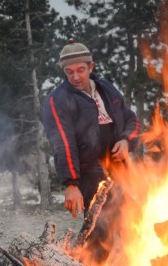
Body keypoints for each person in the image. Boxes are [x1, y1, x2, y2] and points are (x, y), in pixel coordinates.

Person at [41, 38, 140, 219]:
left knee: (131, 222)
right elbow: (62, 143)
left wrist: (126, 140)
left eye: (81, 70)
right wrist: (71, 184)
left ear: (91, 67)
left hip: (120, 169)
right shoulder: (58, 100)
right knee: (101, 227)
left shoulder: (107, 89)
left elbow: (131, 119)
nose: (76, 77)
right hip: (90, 175)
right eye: (69, 72)